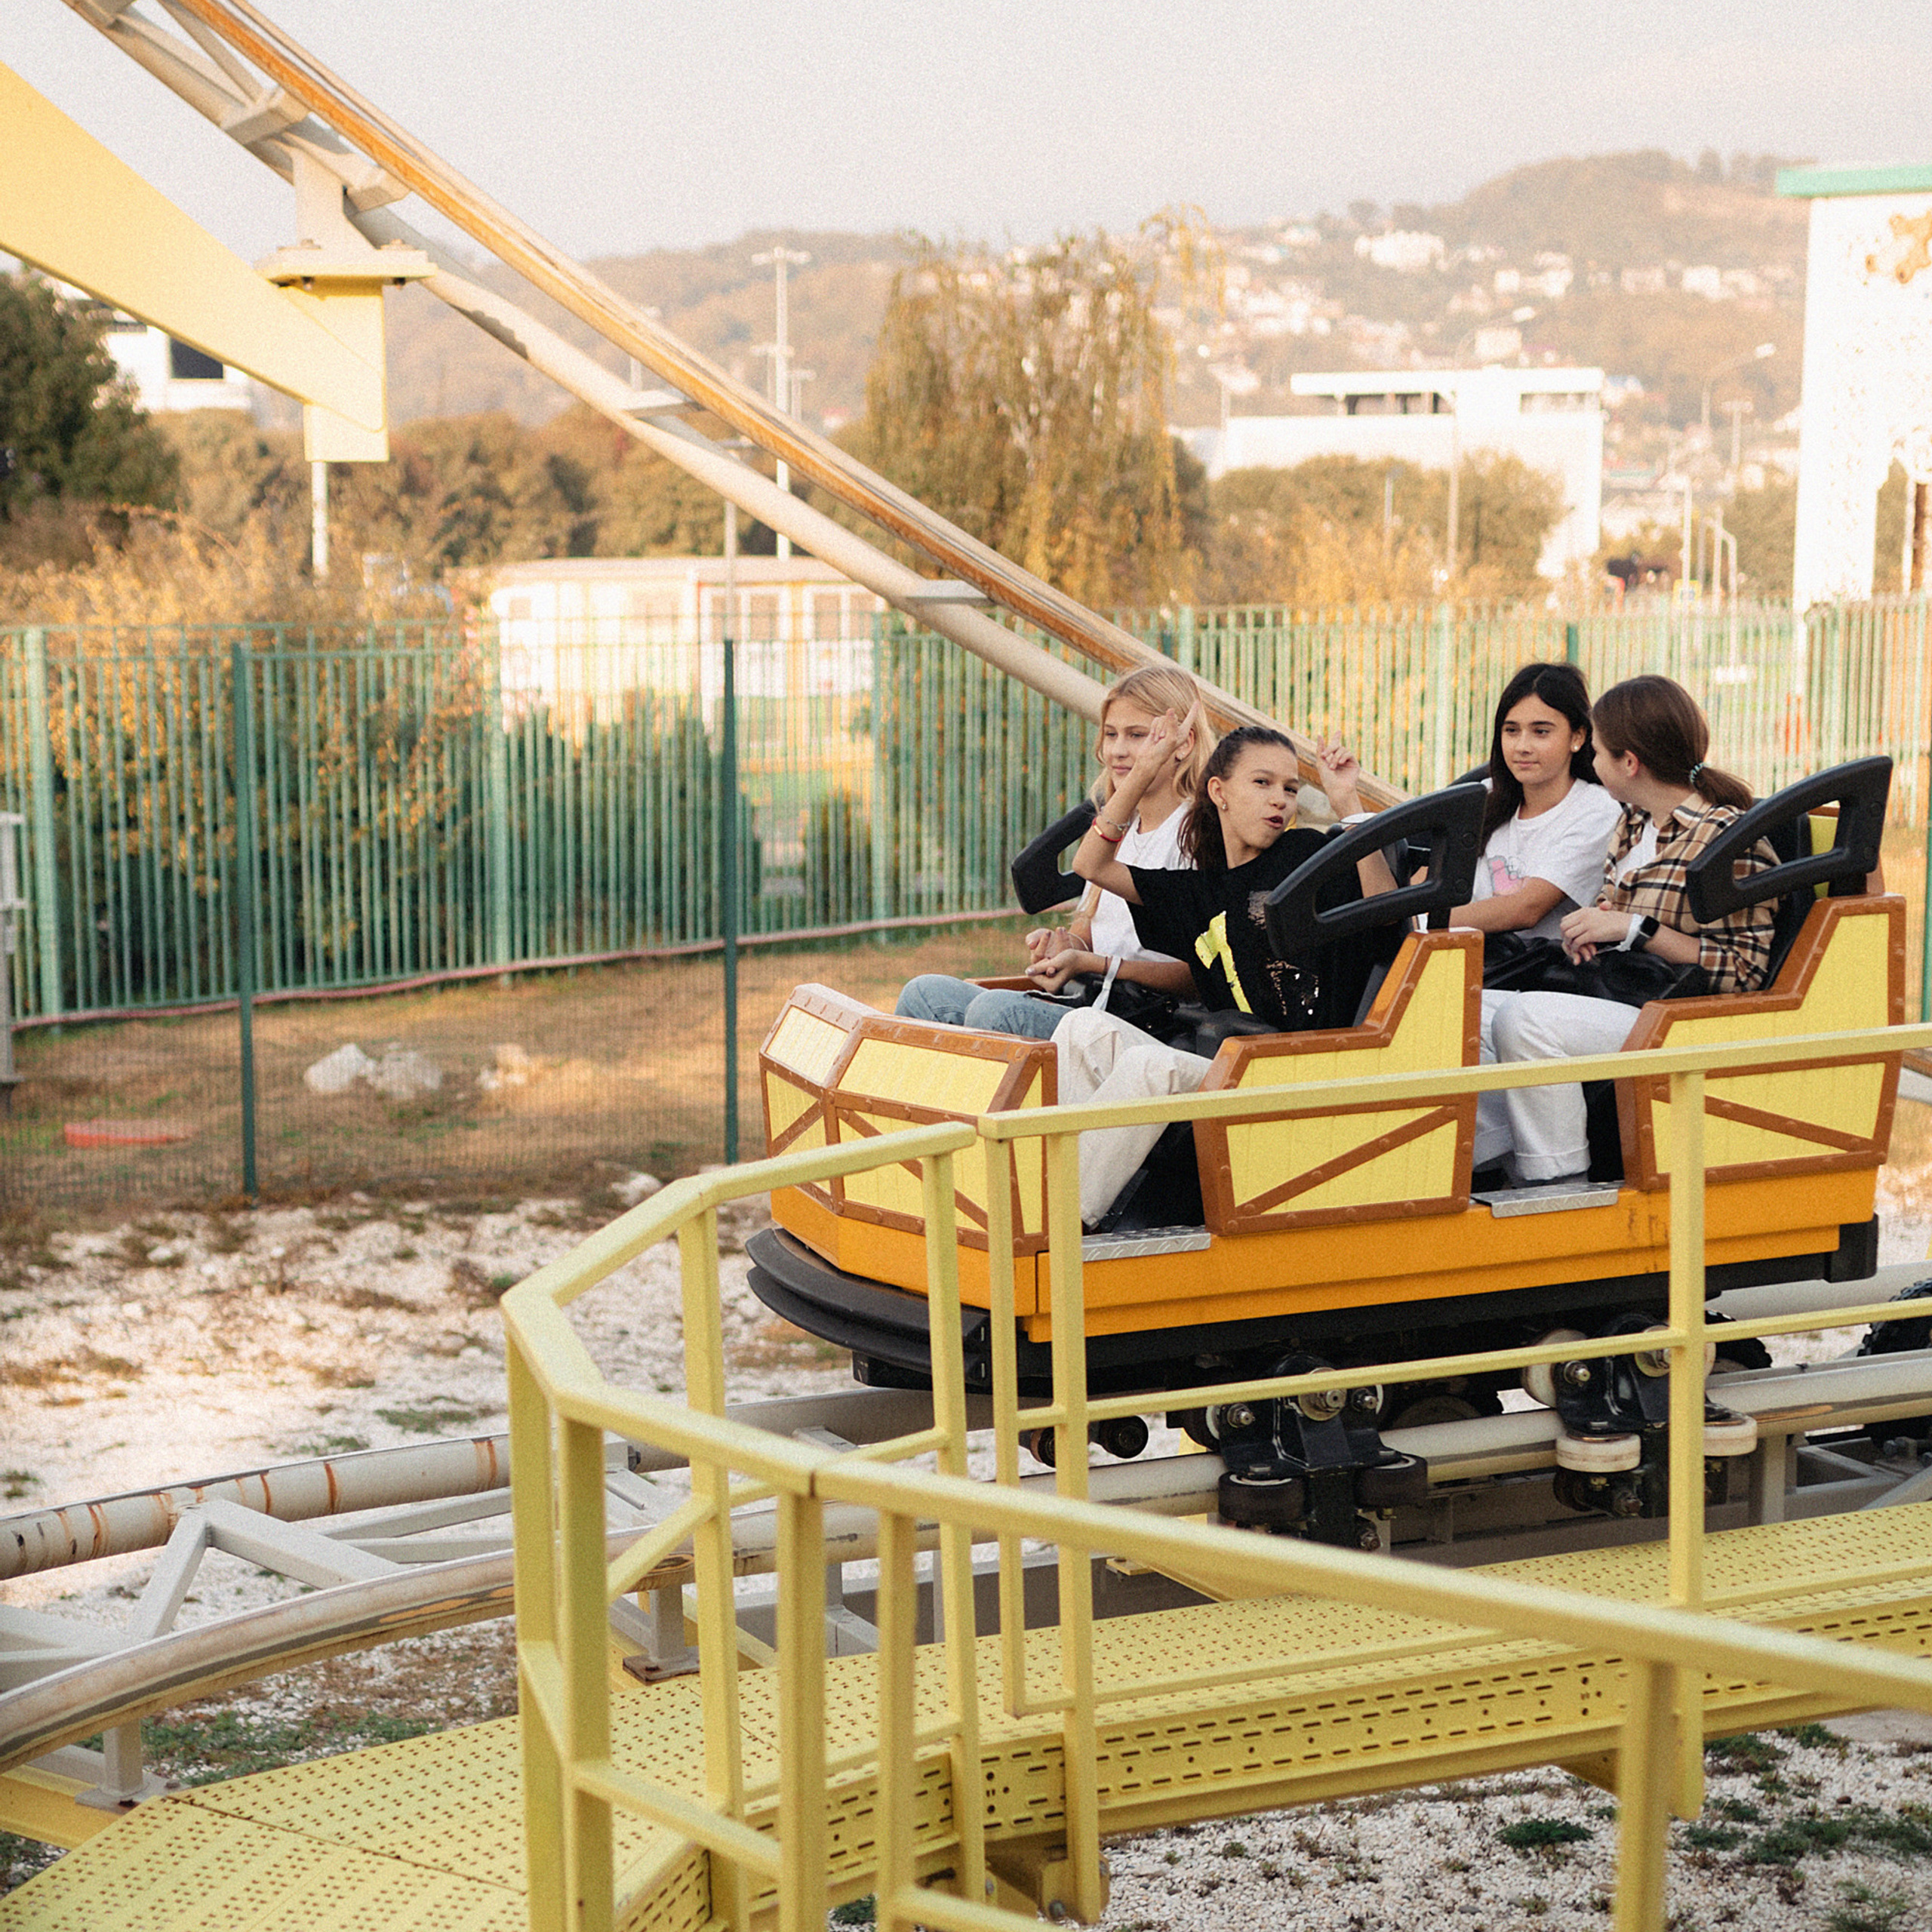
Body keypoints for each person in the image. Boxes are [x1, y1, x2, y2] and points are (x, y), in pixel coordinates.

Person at [1056, 707, 1396, 1226]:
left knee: (1155, 1067)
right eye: (1262, 783)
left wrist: (1347, 802)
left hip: (1294, 1073)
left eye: (1289, 788)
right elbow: (1091, 866)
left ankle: (1064, 1220)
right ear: (1219, 791)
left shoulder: (1307, 855)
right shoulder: (1200, 891)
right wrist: (1144, 772)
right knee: (1082, 1027)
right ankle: (1085, 1198)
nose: (1280, 799)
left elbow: (1387, 919)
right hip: (1226, 1064)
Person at [1475, 675, 1777, 1187]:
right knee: (1466, 1010)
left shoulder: (1726, 837)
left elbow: (1742, 972)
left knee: (1527, 1019)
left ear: (1629, 763)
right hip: (1620, 990)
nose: (1591, 765)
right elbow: (1612, 913)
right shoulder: (1635, 824)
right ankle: (1487, 1170)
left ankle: (1557, 1183)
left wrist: (1636, 928)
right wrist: (1594, 928)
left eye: (1596, 753)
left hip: (1678, 1016)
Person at [895, 666, 1214, 1040]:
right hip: (1100, 1004)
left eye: (1137, 735)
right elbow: (1088, 935)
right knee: (923, 993)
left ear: (1183, 744)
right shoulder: (1122, 829)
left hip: (1157, 1022)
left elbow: (1206, 973)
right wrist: (1065, 948)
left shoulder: (1198, 835)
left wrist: (1097, 964)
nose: (1118, 750)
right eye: (1111, 734)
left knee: (995, 1011)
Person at [1454, 662, 1623, 946]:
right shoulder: (1484, 797)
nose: (1522, 746)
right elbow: (1423, 886)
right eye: (1511, 731)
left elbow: (1526, 909)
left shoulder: (1597, 810)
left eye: (1540, 732)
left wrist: (1421, 922)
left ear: (1578, 737)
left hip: (1538, 978)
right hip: (1459, 965)